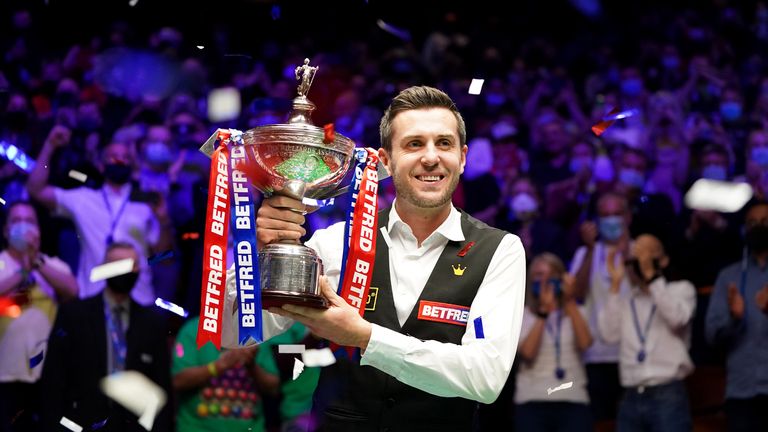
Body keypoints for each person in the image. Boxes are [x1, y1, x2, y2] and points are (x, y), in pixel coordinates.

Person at [243, 85, 526, 431]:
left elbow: (486, 378)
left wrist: (366, 337)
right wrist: (264, 255)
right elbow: (240, 332)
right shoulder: (336, 244)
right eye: (414, 144)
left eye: (444, 143)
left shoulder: (500, 250)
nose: (431, 157)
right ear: (385, 161)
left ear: (463, 157)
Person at [26, 125, 174, 305]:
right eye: (114, 157)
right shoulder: (83, 199)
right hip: (93, 297)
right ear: (101, 165)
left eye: (125, 158)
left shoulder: (145, 203)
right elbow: (36, 189)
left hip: (139, 298)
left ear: (132, 164)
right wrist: (50, 146)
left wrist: (164, 221)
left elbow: (164, 258)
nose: (119, 161)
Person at [39, 242, 172, 431]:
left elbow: (161, 388)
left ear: (140, 270)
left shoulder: (151, 323)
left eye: (131, 264)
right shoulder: (74, 315)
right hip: (80, 423)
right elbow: (53, 380)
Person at [600, 234, 696, 432]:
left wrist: (652, 277)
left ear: (664, 260)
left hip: (668, 393)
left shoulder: (681, 290)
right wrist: (615, 285)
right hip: (631, 394)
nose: (641, 262)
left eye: (647, 255)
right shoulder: (627, 299)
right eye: (636, 257)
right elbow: (608, 335)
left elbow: (677, 318)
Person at [0, 201, 78, 432]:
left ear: (39, 230)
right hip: (5, 374)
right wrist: (24, 271)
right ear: (5, 230)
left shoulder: (53, 265)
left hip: (47, 375)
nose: (23, 227)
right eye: (16, 221)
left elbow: (72, 291)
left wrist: (36, 263)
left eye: (29, 221)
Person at [569, 191, 632, 424]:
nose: (611, 220)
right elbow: (576, 293)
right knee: (600, 422)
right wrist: (592, 249)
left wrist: (627, 253)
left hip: (632, 354)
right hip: (595, 355)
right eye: (605, 215)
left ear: (628, 217)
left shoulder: (640, 249)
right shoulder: (585, 253)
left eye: (617, 214)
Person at [706, 201, 768, 431]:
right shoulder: (729, 277)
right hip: (742, 391)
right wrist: (734, 318)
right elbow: (712, 335)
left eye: (764, 222)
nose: (758, 227)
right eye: (752, 223)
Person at [515, 253, 593, 432]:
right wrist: (543, 312)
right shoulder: (523, 314)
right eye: (539, 275)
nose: (545, 282)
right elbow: (527, 354)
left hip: (573, 400)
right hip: (532, 401)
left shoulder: (577, 311)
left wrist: (569, 300)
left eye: (551, 276)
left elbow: (585, 344)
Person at [172, 316, 280, 432]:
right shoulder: (193, 330)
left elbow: (273, 387)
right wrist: (220, 365)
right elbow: (178, 381)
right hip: (197, 428)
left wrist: (251, 366)